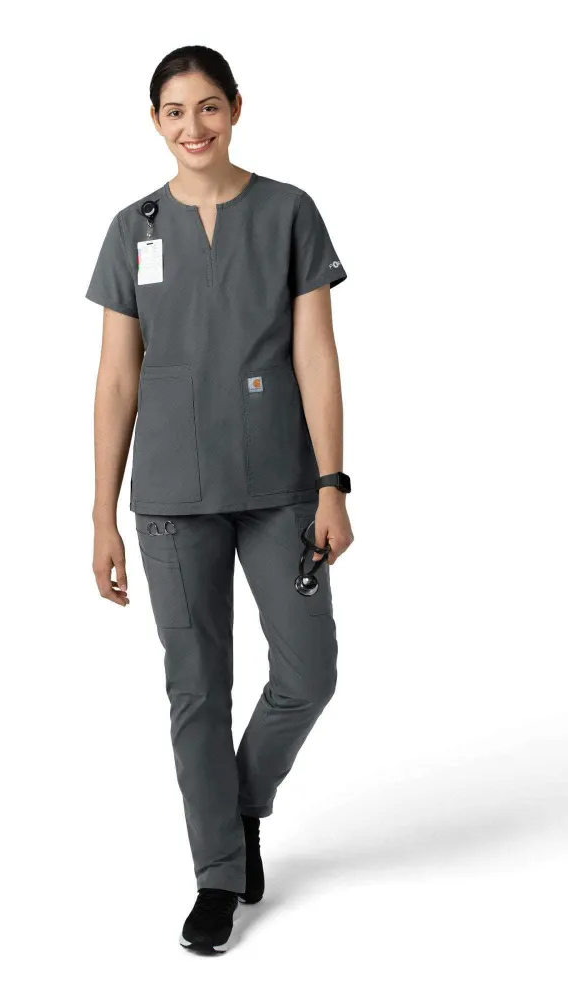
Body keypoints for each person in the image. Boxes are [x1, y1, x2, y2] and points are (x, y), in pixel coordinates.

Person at [86, 45, 354, 954]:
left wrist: (332, 482)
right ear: (155, 121)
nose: (192, 126)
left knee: (309, 673)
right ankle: (217, 875)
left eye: (208, 107)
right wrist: (100, 513)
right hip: (170, 495)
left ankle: (240, 805)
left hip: (281, 486)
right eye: (174, 111)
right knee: (197, 690)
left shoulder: (288, 212)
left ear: (235, 108)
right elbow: (116, 379)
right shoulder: (132, 229)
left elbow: (316, 355)